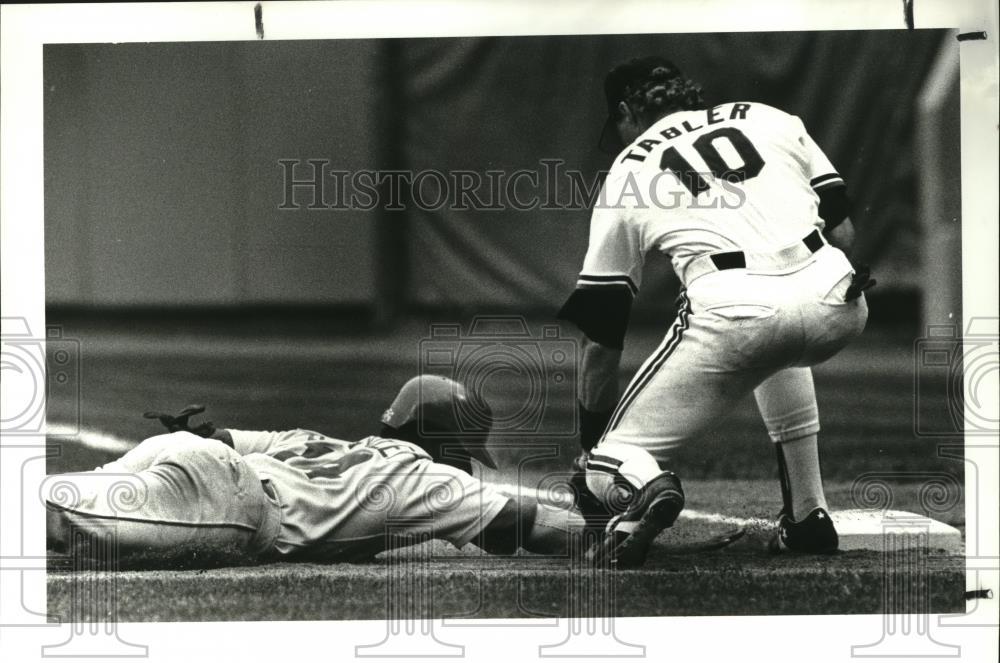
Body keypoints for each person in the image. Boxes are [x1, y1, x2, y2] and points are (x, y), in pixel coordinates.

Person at [558, 56, 873, 567]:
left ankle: (643, 482)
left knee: (606, 463)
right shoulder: (771, 117)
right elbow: (842, 232)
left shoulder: (629, 168)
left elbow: (601, 337)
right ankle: (808, 516)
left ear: (624, 112)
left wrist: (597, 450)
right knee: (779, 348)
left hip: (736, 307)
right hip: (837, 296)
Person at [46, 375, 583, 565]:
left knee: (45, 503)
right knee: (51, 519)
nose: (466, 462)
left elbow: (217, 436)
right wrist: (609, 526)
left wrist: (199, 436)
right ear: (440, 439)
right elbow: (532, 524)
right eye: (464, 449)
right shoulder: (430, 479)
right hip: (234, 502)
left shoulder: (315, 441)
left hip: (183, 456)